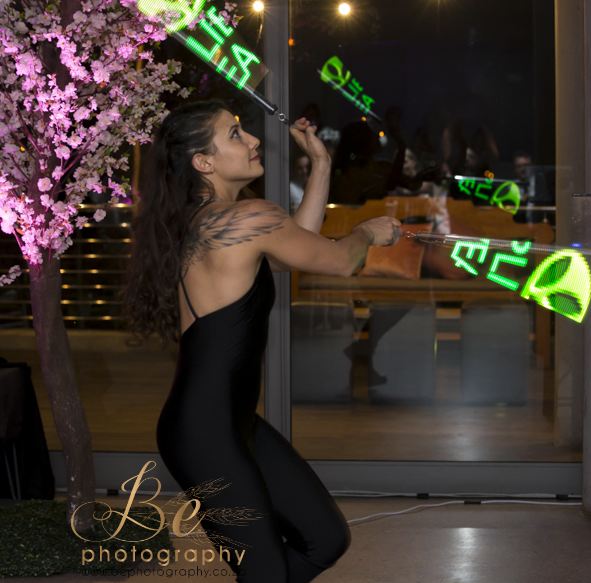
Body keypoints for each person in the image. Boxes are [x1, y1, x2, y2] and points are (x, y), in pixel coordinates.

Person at [121, 99, 400, 583]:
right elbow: (340, 261)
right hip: (203, 433)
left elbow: (293, 250)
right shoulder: (240, 220)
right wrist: (366, 232)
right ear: (203, 162)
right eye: (234, 134)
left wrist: (321, 164)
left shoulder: (220, 220)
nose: (252, 139)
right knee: (265, 574)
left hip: (233, 425)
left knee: (325, 539)